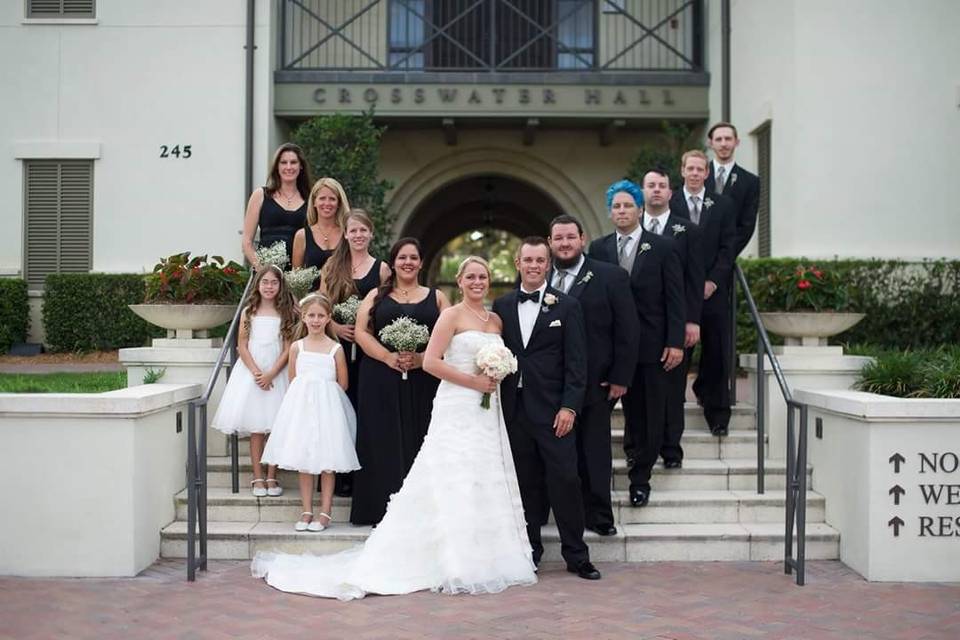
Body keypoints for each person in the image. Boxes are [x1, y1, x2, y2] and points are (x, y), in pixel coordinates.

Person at [251, 257, 537, 599]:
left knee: (483, 474)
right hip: (458, 404)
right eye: (471, 276)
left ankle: (486, 554)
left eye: (483, 276)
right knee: (452, 474)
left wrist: (493, 375)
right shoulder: (450, 315)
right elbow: (431, 363)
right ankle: (453, 558)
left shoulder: (495, 320)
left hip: (487, 411)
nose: (477, 282)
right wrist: (473, 382)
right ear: (459, 281)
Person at [493, 238, 600, 581]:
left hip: (555, 411)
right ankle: (530, 551)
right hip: (515, 410)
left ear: (548, 264)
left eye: (540, 260)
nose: (534, 265)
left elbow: (577, 362)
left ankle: (576, 554)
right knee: (525, 484)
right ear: (518, 263)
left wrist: (570, 406)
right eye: (528, 260)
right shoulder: (503, 305)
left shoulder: (567, 306)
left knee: (566, 480)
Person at [588, 179, 683, 508]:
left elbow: (675, 297)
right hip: (610, 349)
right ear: (610, 212)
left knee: (648, 415)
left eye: (629, 205)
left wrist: (675, 341)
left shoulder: (663, 247)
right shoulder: (598, 249)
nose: (623, 210)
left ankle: (640, 478)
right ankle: (609, 472)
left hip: (651, 347)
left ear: (641, 209)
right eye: (617, 206)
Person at [547, 214, 639, 536]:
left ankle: (599, 517)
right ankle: (557, 512)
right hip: (550, 385)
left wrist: (620, 377)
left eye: (570, 237)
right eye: (558, 238)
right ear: (550, 243)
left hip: (596, 382)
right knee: (556, 453)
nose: (565, 243)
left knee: (594, 452)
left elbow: (627, 330)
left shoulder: (610, 276)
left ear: (582, 239)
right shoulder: (539, 278)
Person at [350, 238, 451, 525]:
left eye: (413, 258)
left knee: (422, 437)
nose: (408, 262)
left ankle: (422, 510)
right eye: (402, 257)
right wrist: (386, 357)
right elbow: (361, 332)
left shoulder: (438, 297)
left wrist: (422, 359)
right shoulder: (376, 295)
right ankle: (378, 508)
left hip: (425, 378)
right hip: (380, 377)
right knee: (382, 438)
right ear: (393, 263)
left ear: (421, 263)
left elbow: (451, 334)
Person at [260, 294, 360, 531]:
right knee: (304, 461)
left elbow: (343, 383)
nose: (316, 320)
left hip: (327, 410)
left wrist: (321, 395)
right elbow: (294, 379)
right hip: (301, 410)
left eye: (320, 316)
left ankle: (325, 512)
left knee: (327, 461)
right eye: (311, 315)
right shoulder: (297, 347)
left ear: (328, 319)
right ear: (303, 317)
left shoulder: (335, 349)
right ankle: (306, 511)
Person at [319, 209, 391, 497]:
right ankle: (341, 473)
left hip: (368, 351)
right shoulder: (331, 267)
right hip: (337, 348)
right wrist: (335, 326)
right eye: (353, 230)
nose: (358, 235)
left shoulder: (382, 269)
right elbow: (320, 305)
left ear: (370, 234)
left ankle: (364, 471)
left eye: (363, 230)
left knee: (364, 409)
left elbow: (386, 307)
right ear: (345, 234)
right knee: (338, 409)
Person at [211, 265, 298, 497]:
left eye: (274, 282)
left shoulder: (286, 312)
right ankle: (257, 476)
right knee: (257, 428)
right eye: (265, 282)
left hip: (277, 373)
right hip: (252, 373)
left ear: (281, 286)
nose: (269, 286)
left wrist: (271, 373)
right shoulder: (249, 311)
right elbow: (242, 345)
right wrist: (257, 372)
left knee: (276, 427)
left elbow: (289, 348)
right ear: (257, 285)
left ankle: (272, 475)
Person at [639, 169, 705, 468]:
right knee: (639, 394)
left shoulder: (687, 230)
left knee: (673, 389)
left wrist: (691, 322)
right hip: (639, 328)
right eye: (651, 185)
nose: (656, 190)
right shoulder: (632, 229)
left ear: (670, 192)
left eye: (661, 186)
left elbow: (693, 280)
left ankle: (671, 449)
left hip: (676, 323)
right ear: (643, 191)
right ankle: (636, 446)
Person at [670, 150, 737, 437]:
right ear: (682, 171)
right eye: (691, 169)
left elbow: (728, 247)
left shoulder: (722, 205)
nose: (696, 173)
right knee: (679, 354)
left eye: (701, 169)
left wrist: (713, 281)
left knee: (718, 352)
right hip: (679, 294)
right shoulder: (670, 203)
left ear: (707, 173)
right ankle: (672, 416)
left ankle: (718, 414)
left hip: (713, 293)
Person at [241, 143, 311, 269]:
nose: (288, 167)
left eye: (293, 162)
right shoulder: (261, 195)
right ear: (276, 167)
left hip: (297, 274)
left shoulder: (311, 200)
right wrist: (262, 270)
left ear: (301, 166)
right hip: (266, 277)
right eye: (283, 162)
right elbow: (246, 242)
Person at [705, 122, 761, 257]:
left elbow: (747, 225)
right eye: (718, 139)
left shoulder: (750, 181)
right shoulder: (696, 176)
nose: (723, 144)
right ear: (710, 143)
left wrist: (726, 255)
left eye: (728, 139)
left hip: (726, 262)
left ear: (737, 142)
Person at [292, 177, 350, 273]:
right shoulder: (302, 236)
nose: (327, 203)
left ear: (339, 203)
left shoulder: (347, 234)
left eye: (332, 199)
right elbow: (295, 278)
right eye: (322, 198)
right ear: (314, 202)